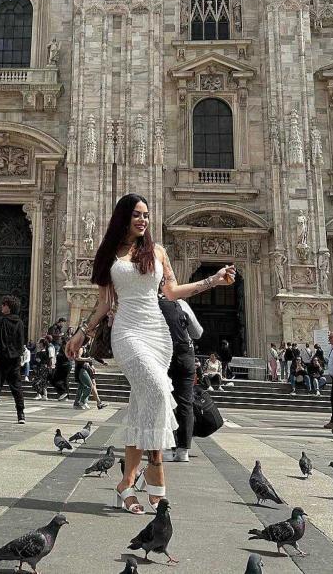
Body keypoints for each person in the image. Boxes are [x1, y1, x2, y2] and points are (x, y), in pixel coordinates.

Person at [65, 193, 234, 515]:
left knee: (143, 404)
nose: (143, 220)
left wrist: (213, 280)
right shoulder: (109, 254)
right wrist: (80, 333)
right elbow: (103, 304)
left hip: (158, 333)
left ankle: (126, 483)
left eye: (146, 215)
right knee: (158, 390)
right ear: (123, 218)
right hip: (127, 332)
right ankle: (156, 468)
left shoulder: (156, 252)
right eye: (137, 215)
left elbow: (171, 292)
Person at [159, 294, 202, 463]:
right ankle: (183, 450)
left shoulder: (149, 303)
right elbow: (197, 333)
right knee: (185, 403)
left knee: (163, 401)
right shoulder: (180, 303)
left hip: (162, 356)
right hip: (184, 357)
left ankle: (166, 449)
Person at [0, 295, 27, 424]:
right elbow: (21, 341)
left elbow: (0, 340)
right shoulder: (19, 321)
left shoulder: (4, 321)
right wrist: (17, 354)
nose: (2, 307)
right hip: (15, 360)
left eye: (4, 305)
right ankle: (21, 414)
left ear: (9, 307)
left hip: (3, 359)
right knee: (17, 387)